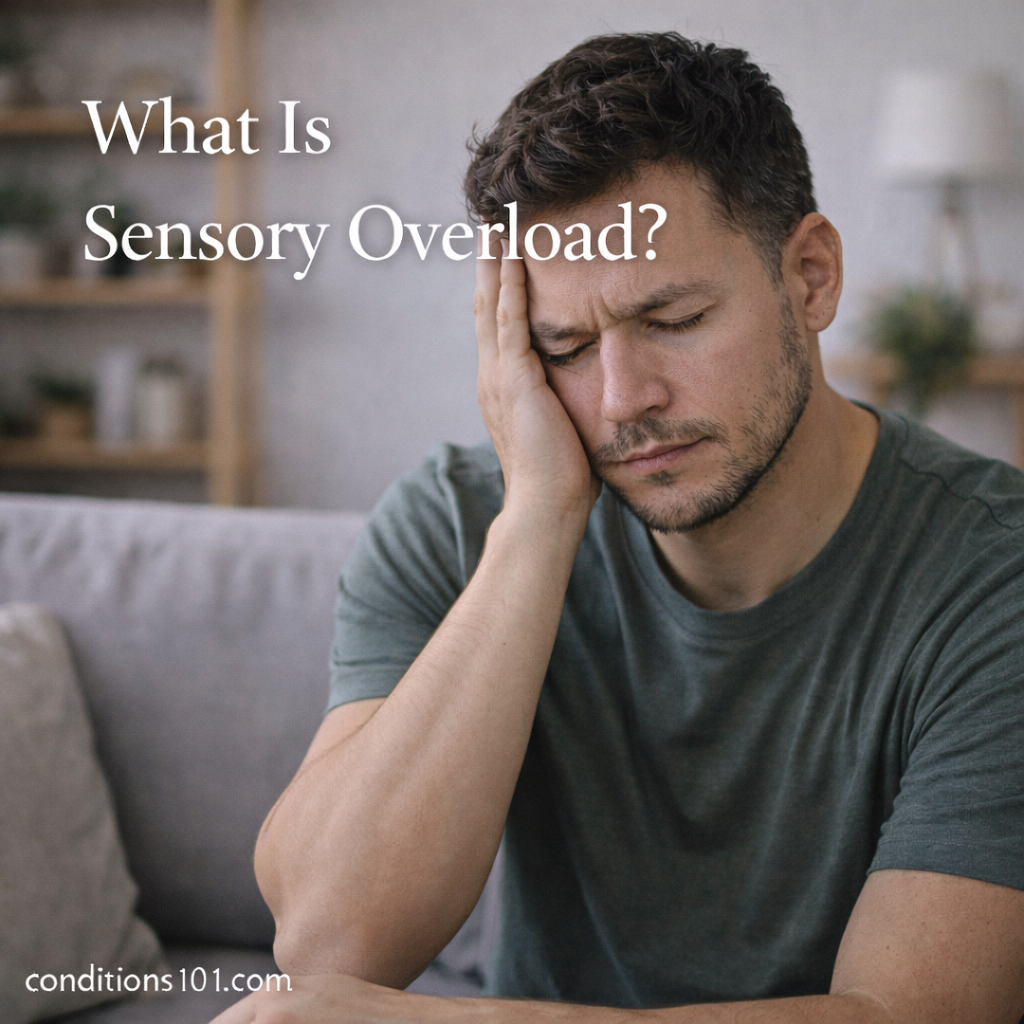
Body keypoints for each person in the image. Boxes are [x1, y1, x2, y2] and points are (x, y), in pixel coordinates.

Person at [215, 33, 1024, 1024]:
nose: (622, 399)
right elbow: (332, 942)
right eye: (563, 345)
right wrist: (538, 524)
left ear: (809, 277)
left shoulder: (994, 574)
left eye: (674, 319)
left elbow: (905, 1014)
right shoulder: (458, 521)